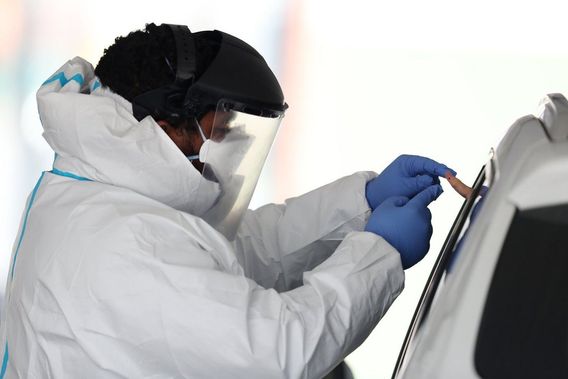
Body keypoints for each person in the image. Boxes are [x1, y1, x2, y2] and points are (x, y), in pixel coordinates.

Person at [0, 23, 455, 378]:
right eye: (215, 137)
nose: (219, 164)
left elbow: (236, 254)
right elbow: (279, 351)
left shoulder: (104, 196)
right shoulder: (127, 241)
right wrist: (379, 253)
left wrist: (362, 204)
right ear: (165, 127)